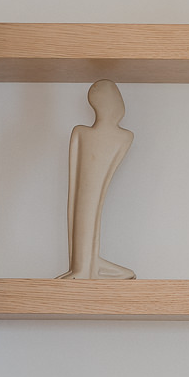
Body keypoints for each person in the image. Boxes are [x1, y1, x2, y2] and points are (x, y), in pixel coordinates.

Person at [58, 79, 135, 280]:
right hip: (86, 184)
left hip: (95, 182)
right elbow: (73, 185)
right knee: (82, 211)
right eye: (115, 98)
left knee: (90, 210)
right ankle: (83, 266)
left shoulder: (124, 136)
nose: (120, 104)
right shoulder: (81, 132)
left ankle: (87, 266)